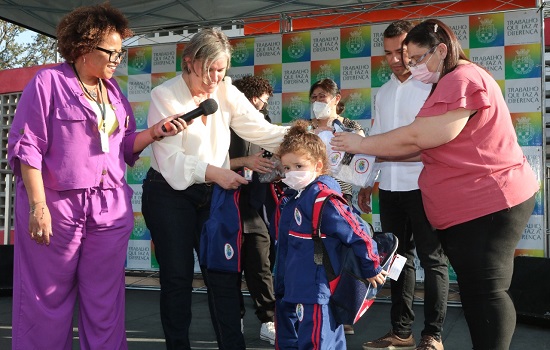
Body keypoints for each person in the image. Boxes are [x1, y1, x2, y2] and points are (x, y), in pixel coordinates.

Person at [331, 19, 538, 350]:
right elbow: (425, 149)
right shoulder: (446, 81)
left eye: (416, 58)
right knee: (476, 292)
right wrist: (376, 160)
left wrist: (358, 144)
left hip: (489, 202)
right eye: (406, 59)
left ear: (441, 50)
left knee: (485, 292)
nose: (412, 67)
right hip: (473, 206)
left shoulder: (463, 78)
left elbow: (417, 137)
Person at [7, 3, 186, 349]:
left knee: (105, 302)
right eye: (111, 51)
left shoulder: (114, 92)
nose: (118, 58)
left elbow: (123, 145)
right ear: (83, 47)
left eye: (121, 52)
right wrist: (38, 206)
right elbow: (27, 148)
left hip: (109, 208)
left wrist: (156, 132)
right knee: (47, 299)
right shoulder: (48, 83)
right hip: (57, 205)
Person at [141, 28, 287, 350]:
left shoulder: (226, 90)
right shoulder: (164, 96)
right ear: (189, 61)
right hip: (168, 194)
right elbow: (172, 162)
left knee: (223, 277)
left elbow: (261, 130)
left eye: (221, 70)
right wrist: (217, 172)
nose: (214, 78)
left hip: (213, 195)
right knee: (177, 278)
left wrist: (304, 140)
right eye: (209, 69)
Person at [360, 20, 449, 350]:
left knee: (433, 260)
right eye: (388, 53)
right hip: (392, 190)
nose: (396, 59)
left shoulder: (433, 85)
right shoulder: (383, 92)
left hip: (426, 187)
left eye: (401, 51)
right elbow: (376, 142)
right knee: (397, 260)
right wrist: (369, 183)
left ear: (413, 48)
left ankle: (433, 335)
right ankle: (401, 332)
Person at [273, 119, 387, 349]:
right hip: (294, 289)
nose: (291, 173)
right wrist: (281, 286)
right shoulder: (292, 199)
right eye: (286, 168)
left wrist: (371, 266)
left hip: (316, 291)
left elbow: (356, 232)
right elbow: (284, 248)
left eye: (298, 166)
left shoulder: (323, 198)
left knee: (319, 343)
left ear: (318, 165)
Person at [230, 75, 277, 345]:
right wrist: (243, 161)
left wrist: (278, 171)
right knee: (228, 268)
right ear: (248, 97)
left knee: (261, 266)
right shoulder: (221, 124)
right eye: (261, 100)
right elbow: (209, 162)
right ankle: (231, 317)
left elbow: (270, 163)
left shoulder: (264, 124)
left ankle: (268, 320)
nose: (263, 106)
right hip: (223, 204)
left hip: (255, 207)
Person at [309, 78, 365, 206]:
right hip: (310, 191)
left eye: (322, 96)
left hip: (340, 194)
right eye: (314, 97)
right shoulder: (305, 127)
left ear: (336, 98)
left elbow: (363, 155)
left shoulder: (350, 126)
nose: (317, 101)